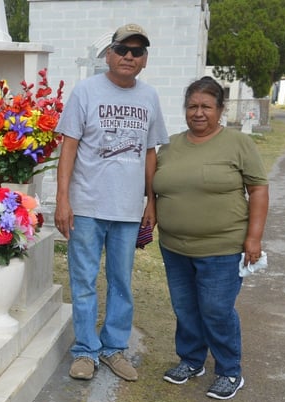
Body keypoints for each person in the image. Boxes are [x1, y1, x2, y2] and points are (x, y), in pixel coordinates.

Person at [55, 24, 169, 382]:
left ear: (145, 60)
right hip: (87, 205)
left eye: (137, 51)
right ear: (109, 54)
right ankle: (86, 351)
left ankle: (114, 348)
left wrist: (151, 201)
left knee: (121, 281)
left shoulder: (149, 97)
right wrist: (62, 200)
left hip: (127, 210)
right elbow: (69, 147)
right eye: (122, 49)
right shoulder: (86, 91)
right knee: (84, 280)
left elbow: (150, 153)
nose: (128, 57)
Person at [153, 76, 269, 400]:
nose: (198, 112)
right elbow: (155, 186)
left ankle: (230, 371)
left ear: (220, 109)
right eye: (192, 106)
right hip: (175, 247)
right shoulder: (171, 145)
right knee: (185, 307)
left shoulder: (238, 144)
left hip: (222, 247)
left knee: (216, 309)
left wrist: (254, 238)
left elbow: (258, 189)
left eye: (206, 106)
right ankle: (191, 361)